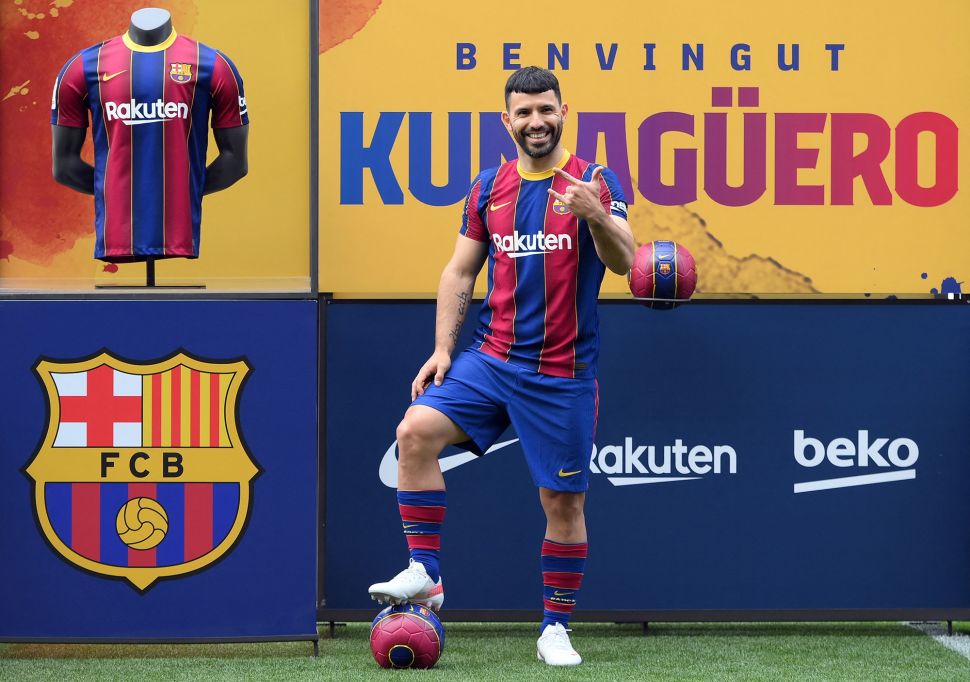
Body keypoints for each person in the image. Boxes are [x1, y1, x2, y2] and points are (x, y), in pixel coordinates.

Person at [368, 66, 634, 667]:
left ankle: (555, 628)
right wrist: (442, 349)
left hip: (562, 372)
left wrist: (596, 213)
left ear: (564, 112)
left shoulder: (595, 180)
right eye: (524, 112)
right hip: (491, 359)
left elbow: (624, 261)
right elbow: (460, 272)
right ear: (506, 120)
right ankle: (427, 575)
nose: (535, 121)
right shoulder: (490, 187)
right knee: (413, 433)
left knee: (562, 506)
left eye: (546, 110)